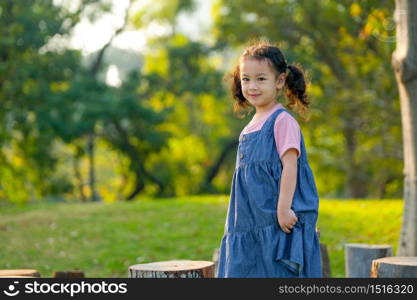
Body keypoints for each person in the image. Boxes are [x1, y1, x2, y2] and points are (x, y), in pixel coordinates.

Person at [216, 40, 322, 278]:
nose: (252, 86)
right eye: (246, 79)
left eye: (261, 79)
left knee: (275, 272)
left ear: (280, 81)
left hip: (275, 219)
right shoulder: (249, 127)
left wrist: (283, 208)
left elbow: (290, 166)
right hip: (249, 220)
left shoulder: (281, 121)